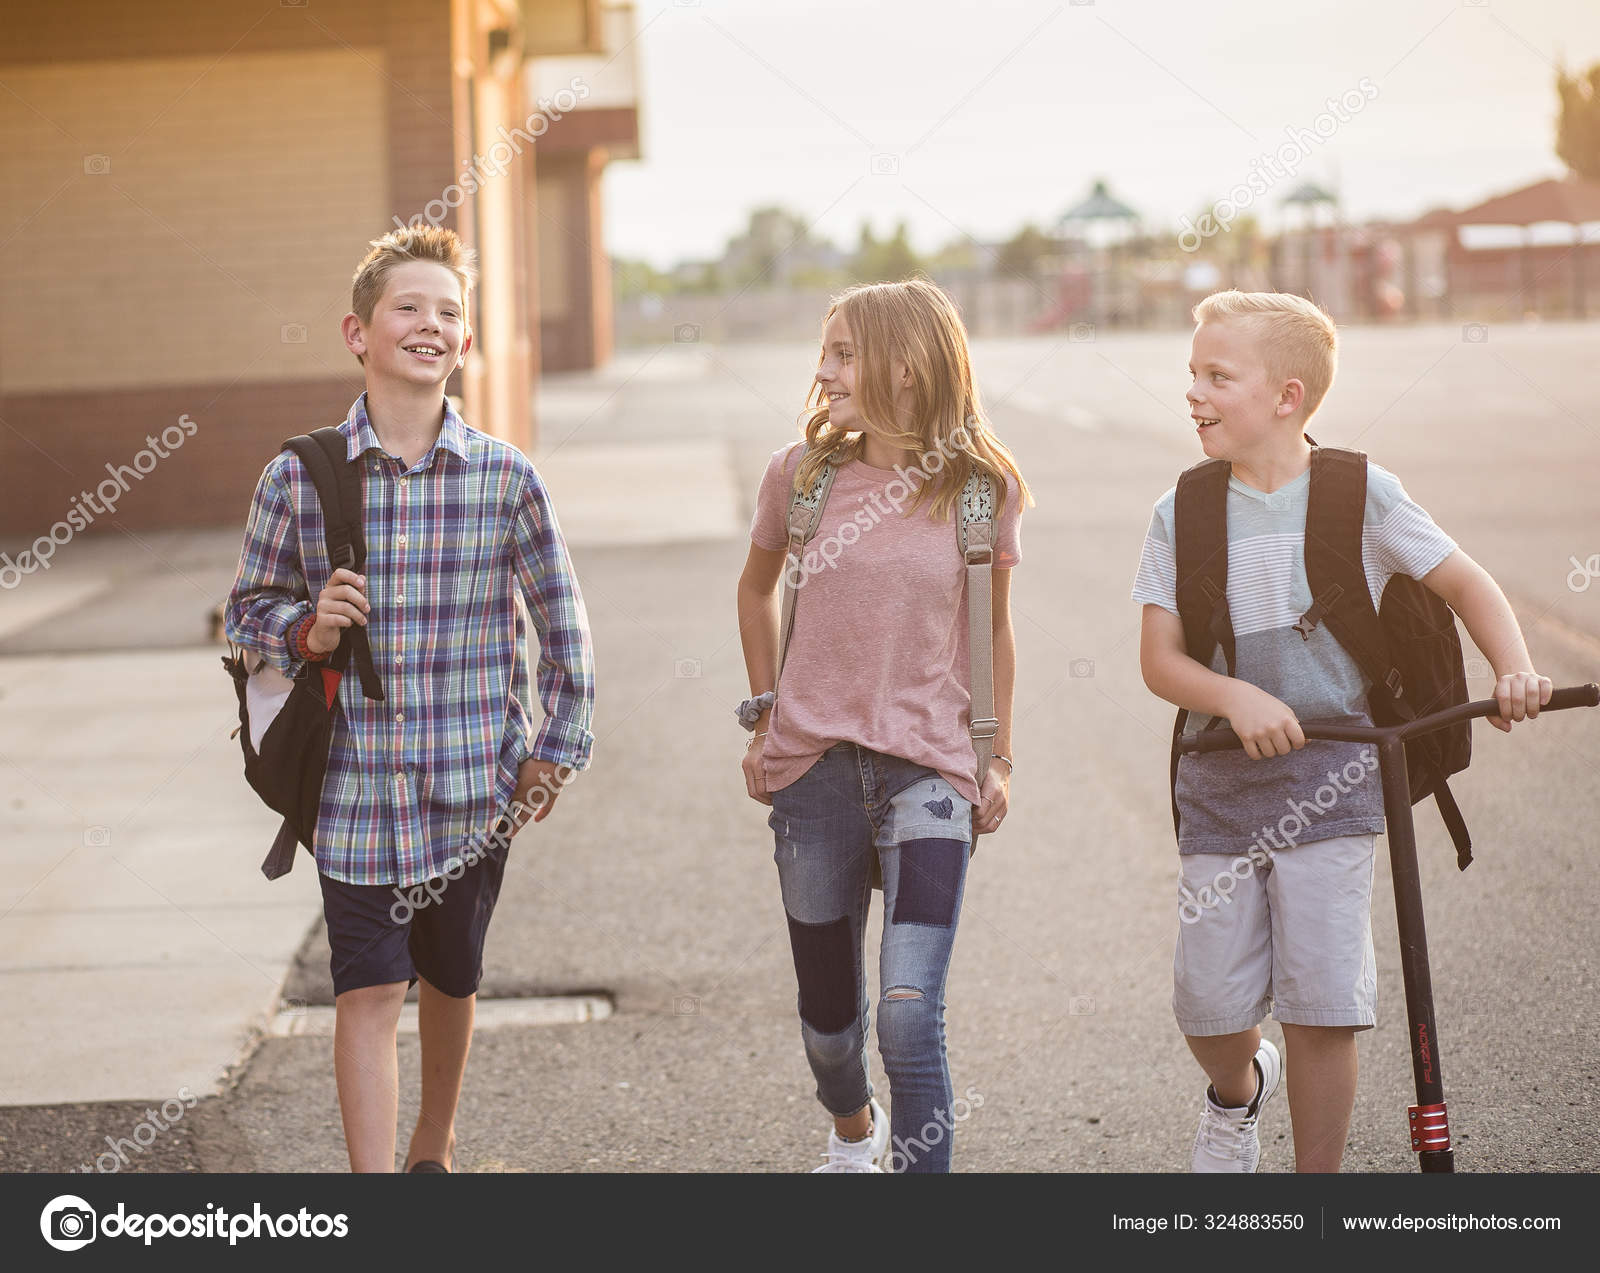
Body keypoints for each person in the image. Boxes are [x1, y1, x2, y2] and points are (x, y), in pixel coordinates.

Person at [1132, 289, 1551, 1172]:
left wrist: (1512, 667)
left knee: (1322, 1002)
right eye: (1192, 375)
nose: (1194, 392)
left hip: (1336, 782)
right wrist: (1234, 696)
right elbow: (1161, 660)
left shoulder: (1365, 495)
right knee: (1207, 1005)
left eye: (1217, 375)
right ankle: (1238, 1093)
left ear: (1287, 396)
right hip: (1219, 784)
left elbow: (1469, 585)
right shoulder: (1184, 513)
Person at [226, 225, 595, 1172]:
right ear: (358, 332)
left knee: (450, 974)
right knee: (368, 991)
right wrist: (306, 628)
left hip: (475, 784)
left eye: (449, 312)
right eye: (408, 307)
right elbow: (245, 613)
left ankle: (435, 1136)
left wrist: (556, 745)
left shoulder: (507, 479)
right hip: (353, 791)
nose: (431, 323)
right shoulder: (300, 477)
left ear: (464, 345)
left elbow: (563, 623)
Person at [736, 279, 1031, 1172]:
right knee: (831, 1032)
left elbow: (993, 628)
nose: (823, 373)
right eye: (824, 353)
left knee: (908, 1013)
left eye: (842, 353)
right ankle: (851, 1127)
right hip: (814, 769)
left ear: (906, 363)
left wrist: (998, 756)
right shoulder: (803, 476)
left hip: (930, 770)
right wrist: (763, 714)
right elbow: (754, 591)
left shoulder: (983, 489)